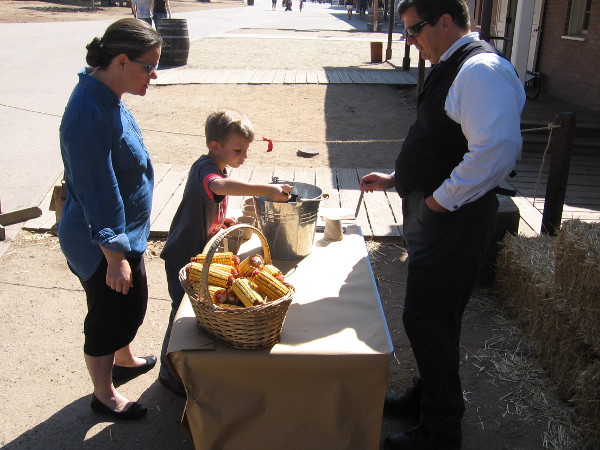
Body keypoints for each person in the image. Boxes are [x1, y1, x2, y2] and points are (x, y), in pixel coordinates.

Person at [359, 0, 525, 448]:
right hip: (443, 214)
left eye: (415, 30)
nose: (410, 41)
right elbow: (443, 140)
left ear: (446, 21)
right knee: (431, 317)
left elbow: (496, 151)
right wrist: (399, 178)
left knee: (429, 318)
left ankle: (440, 428)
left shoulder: (480, 70)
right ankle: (426, 396)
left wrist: (436, 202)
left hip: (455, 219)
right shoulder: (457, 65)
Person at [58, 18, 162, 420]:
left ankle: (125, 359)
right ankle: (104, 394)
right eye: (148, 66)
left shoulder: (105, 92)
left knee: (122, 310)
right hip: (102, 241)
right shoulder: (88, 112)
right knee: (113, 313)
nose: (153, 76)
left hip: (121, 234)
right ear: (122, 61)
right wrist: (115, 255)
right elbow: (97, 188)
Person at [158, 109, 292, 396]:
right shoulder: (206, 168)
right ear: (215, 146)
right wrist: (266, 190)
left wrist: (222, 222)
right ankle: (168, 371)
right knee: (180, 314)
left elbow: (212, 201)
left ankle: (191, 366)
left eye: (246, 149)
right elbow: (218, 187)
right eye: (238, 150)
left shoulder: (219, 166)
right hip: (184, 253)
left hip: (202, 252)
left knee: (196, 313)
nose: (244, 156)